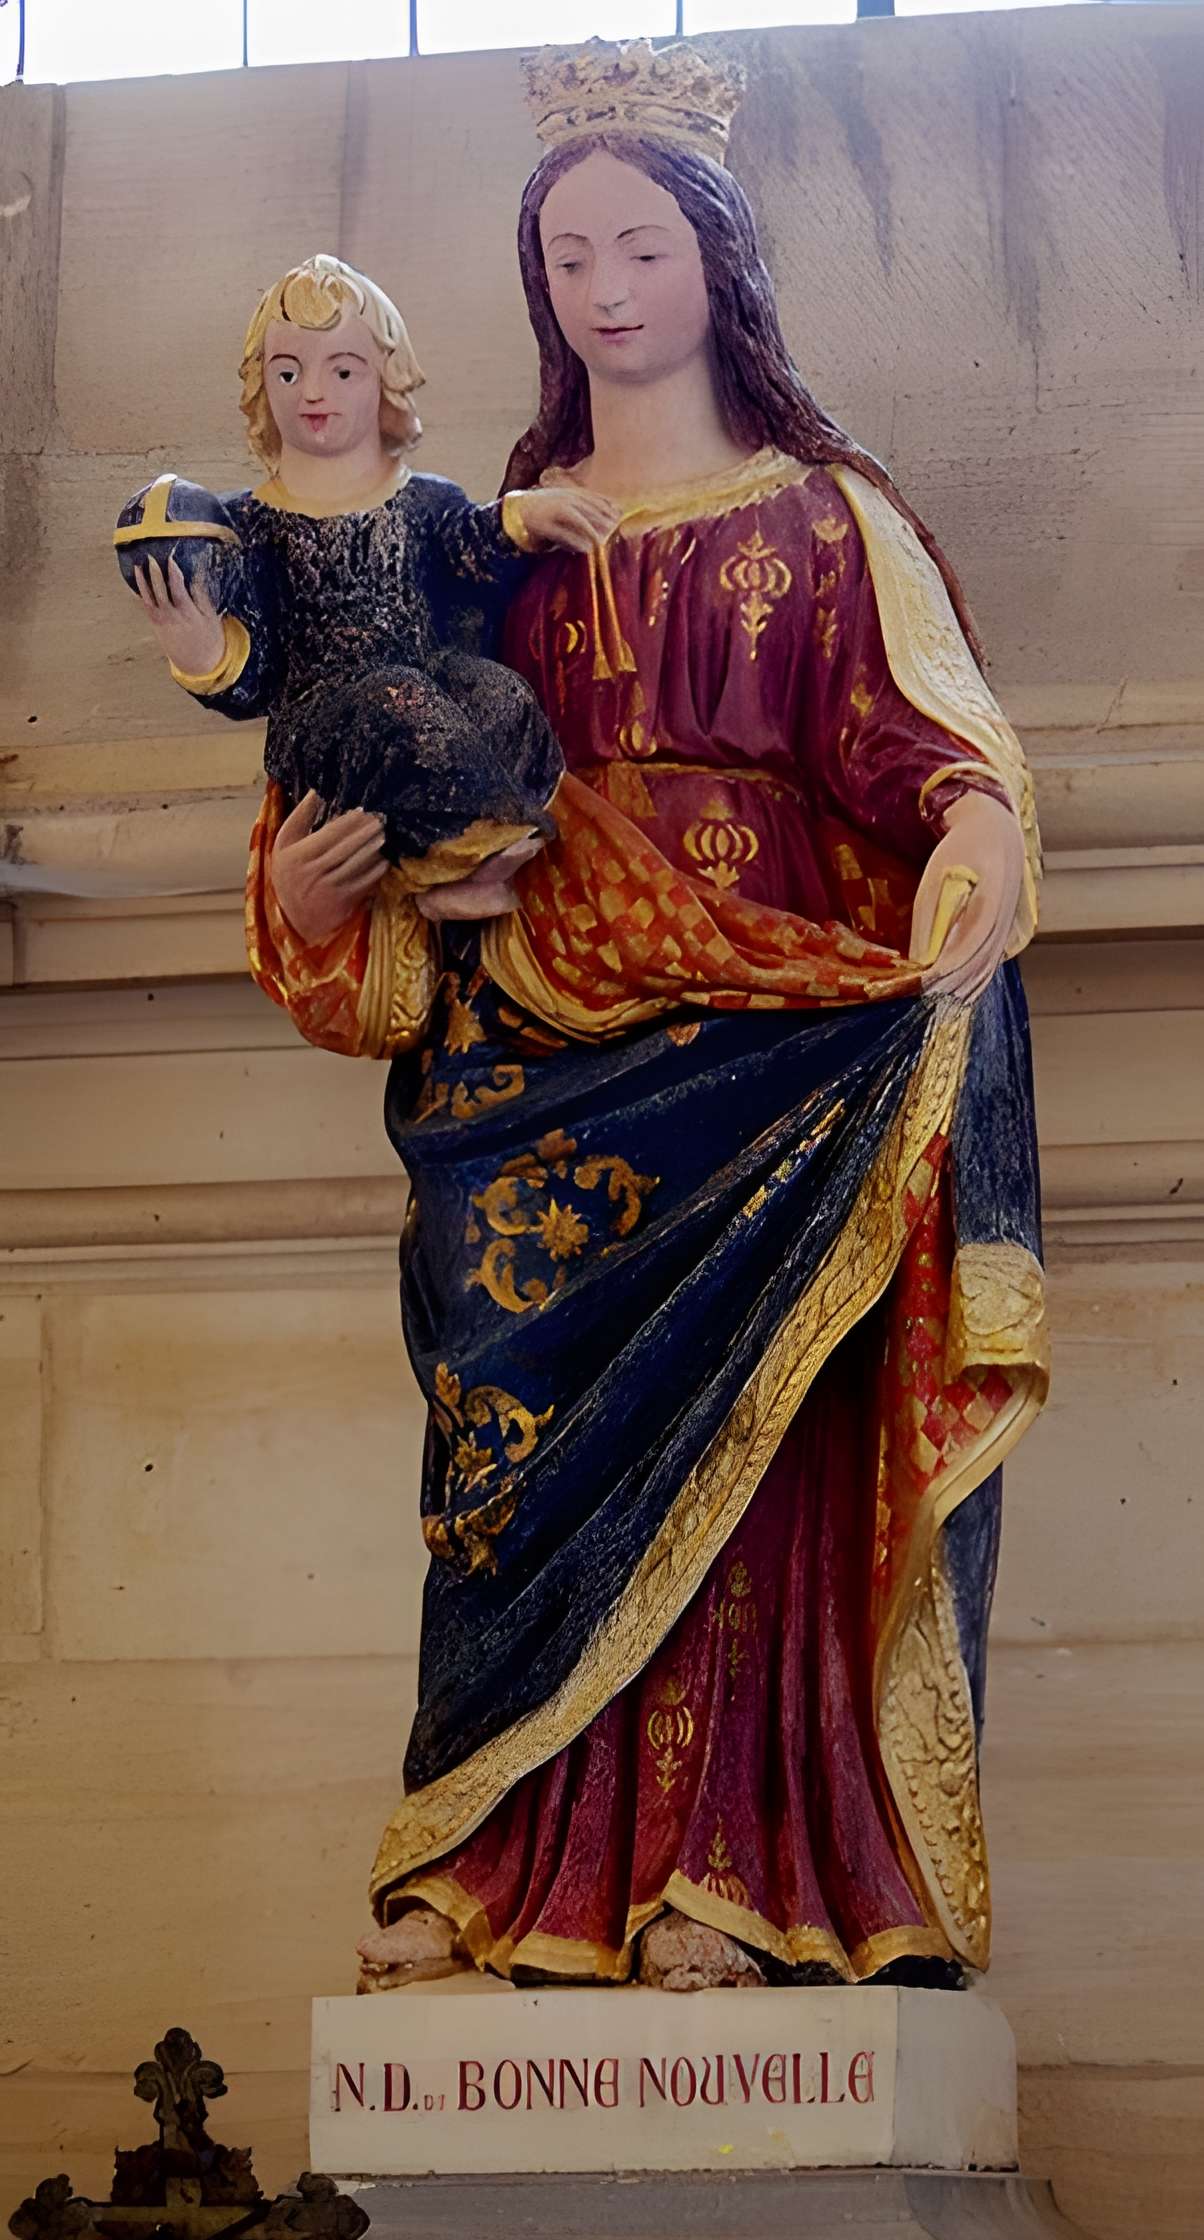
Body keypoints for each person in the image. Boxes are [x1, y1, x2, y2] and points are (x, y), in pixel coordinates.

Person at [249, 42, 1048, 1994]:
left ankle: (734, 1871)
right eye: (570, 258)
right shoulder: (482, 547)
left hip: (771, 1025)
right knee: (511, 1466)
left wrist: (974, 832)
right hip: (524, 1061)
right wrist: (305, 889)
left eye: (642, 249)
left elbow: (936, 753)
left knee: (758, 1448)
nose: (608, 291)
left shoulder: (821, 518)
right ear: (536, 289)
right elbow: (368, 752)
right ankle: (479, 1857)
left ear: (718, 257)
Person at [119, 253, 617, 899]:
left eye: (344, 370)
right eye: (289, 371)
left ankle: (504, 835)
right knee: (395, 697)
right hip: (325, 722)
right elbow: (258, 669)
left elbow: (469, 553)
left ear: (385, 380)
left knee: (497, 693)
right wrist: (202, 651)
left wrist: (524, 514)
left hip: (427, 688)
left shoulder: (425, 499)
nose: (314, 392)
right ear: (260, 384)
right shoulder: (250, 524)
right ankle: (445, 858)